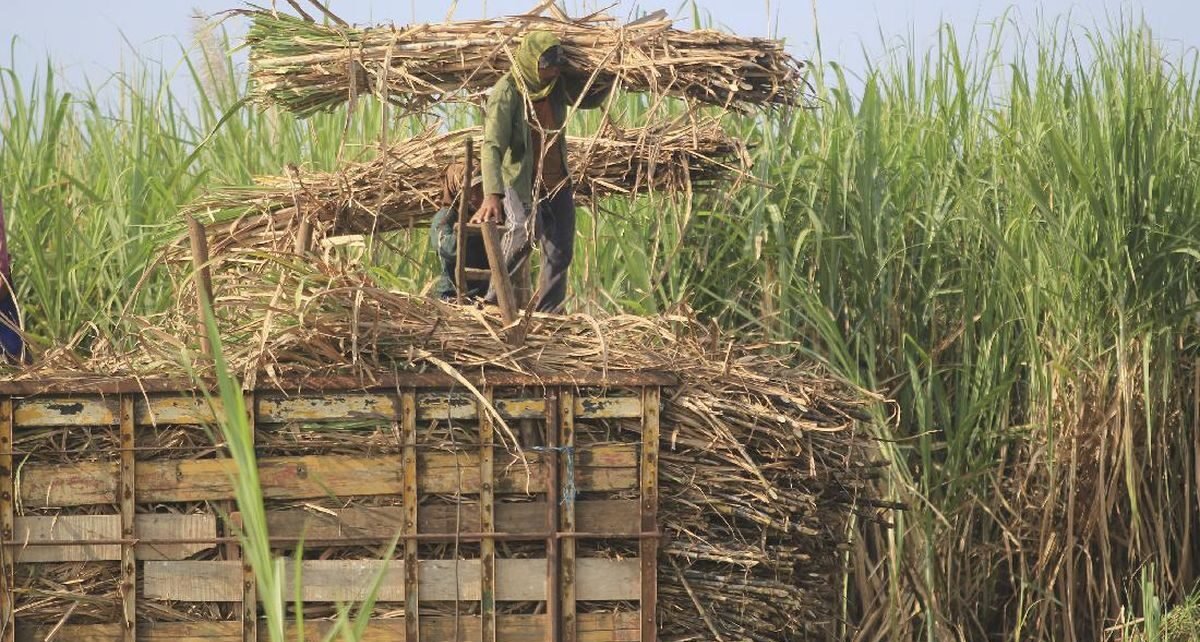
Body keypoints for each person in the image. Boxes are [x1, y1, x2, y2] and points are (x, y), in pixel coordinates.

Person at [471, 30, 612, 313]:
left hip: (557, 181)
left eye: (556, 65)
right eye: (547, 66)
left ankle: (549, 312)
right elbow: (492, 147)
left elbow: (586, 99)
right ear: (531, 62)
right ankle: (493, 302)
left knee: (561, 250)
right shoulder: (507, 92)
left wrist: (611, 74)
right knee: (522, 231)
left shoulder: (555, 84)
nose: (553, 71)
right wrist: (492, 194)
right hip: (522, 181)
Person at [430, 161, 489, 300]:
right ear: (457, 190)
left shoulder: (488, 215)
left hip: (482, 295)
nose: (477, 196)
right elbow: (448, 249)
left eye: (481, 188)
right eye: (471, 190)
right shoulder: (445, 217)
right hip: (452, 294)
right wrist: (471, 228)